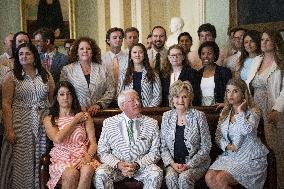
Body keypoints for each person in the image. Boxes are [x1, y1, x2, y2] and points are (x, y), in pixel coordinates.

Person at [0, 42, 55, 188]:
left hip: (42, 123)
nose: (24, 56)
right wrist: (9, 129)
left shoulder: (45, 74)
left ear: (34, 56)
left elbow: (52, 98)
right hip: (20, 122)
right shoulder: (11, 76)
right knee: (22, 162)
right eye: (21, 54)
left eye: (28, 53)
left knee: (40, 159)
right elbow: (5, 104)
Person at [205, 79, 268, 189]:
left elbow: (247, 130)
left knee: (221, 178)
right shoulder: (225, 113)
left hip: (250, 157)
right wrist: (228, 146)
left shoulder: (253, 112)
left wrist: (240, 112)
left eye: (235, 91)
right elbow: (218, 137)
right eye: (228, 91)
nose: (231, 94)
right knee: (209, 177)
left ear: (243, 93)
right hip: (231, 156)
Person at [94, 89, 163, 189]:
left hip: (141, 167)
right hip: (116, 167)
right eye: (132, 101)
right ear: (122, 106)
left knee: (156, 174)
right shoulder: (109, 123)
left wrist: (137, 164)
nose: (137, 103)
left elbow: (155, 152)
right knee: (101, 173)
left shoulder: (152, 123)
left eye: (138, 99)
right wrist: (118, 164)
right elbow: (102, 152)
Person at [43, 81, 100, 189]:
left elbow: (93, 143)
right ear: (56, 97)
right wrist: (75, 120)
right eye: (62, 94)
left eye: (69, 94)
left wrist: (87, 157)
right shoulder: (49, 119)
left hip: (83, 156)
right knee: (71, 173)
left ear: (73, 96)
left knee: (87, 170)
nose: (66, 97)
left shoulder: (85, 116)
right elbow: (58, 138)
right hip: (62, 158)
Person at [246, 30, 284, 188]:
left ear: (275, 42)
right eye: (262, 39)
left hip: (273, 108)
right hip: (255, 107)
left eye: (268, 40)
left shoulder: (281, 62)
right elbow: (248, 84)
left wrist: (277, 109)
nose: (264, 42)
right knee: (257, 148)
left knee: (276, 149)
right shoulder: (257, 60)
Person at [160, 80, 211, 188]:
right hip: (174, 163)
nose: (180, 100)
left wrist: (189, 165)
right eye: (177, 96)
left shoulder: (199, 116)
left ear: (190, 98)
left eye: (184, 97)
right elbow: (163, 147)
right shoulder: (166, 116)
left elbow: (206, 147)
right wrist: (172, 164)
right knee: (170, 178)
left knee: (184, 178)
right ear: (172, 99)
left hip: (196, 164)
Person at [60, 37, 114, 116]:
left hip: (100, 113)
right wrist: (76, 106)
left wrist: (99, 104)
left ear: (92, 52)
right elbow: (63, 92)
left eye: (88, 49)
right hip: (76, 113)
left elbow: (110, 90)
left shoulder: (103, 69)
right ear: (77, 52)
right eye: (81, 49)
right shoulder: (67, 70)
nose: (85, 51)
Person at [198, 41, 232, 107]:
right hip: (202, 110)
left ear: (215, 55)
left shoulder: (224, 72)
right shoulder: (197, 74)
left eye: (209, 53)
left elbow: (231, 91)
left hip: (219, 109)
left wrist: (226, 104)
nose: (206, 56)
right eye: (203, 53)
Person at [102, 27, 128, 99]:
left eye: (120, 37)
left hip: (125, 97)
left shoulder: (129, 58)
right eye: (115, 37)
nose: (118, 39)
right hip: (106, 97)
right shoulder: (101, 59)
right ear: (108, 40)